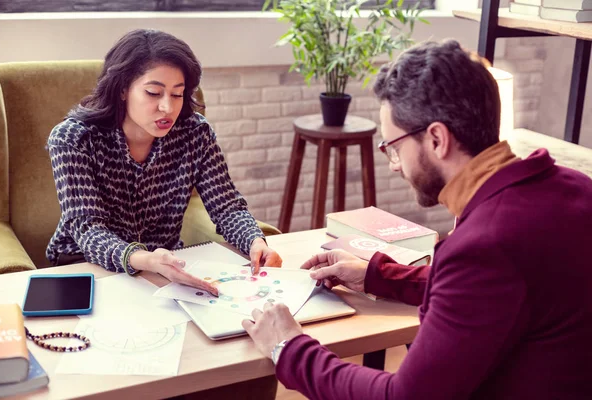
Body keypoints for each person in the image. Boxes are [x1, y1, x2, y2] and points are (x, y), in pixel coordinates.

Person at [242, 40, 592, 399]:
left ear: (437, 138)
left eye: (394, 147)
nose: (395, 165)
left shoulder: (485, 245)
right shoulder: (575, 188)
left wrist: (288, 347)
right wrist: (378, 274)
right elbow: (492, 293)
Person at [46, 29, 282, 294]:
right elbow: (87, 229)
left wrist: (254, 240)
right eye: (153, 93)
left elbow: (226, 206)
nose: (168, 108)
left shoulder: (195, 134)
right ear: (123, 89)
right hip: (84, 267)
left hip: (164, 270)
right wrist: (147, 260)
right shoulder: (73, 139)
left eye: (177, 94)